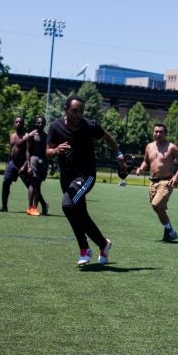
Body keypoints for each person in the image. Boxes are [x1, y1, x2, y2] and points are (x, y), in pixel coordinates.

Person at [46, 95, 127, 266]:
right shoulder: (55, 127)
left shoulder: (89, 126)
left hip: (86, 176)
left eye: (81, 111)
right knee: (80, 214)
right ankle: (103, 244)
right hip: (66, 178)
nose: (78, 115)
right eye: (74, 111)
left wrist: (119, 156)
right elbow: (48, 151)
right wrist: (56, 151)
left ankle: (84, 248)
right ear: (66, 110)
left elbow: (108, 138)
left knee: (68, 205)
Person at [135, 123, 178, 242]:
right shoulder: (149, 146)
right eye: (156, 131)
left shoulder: (172, 147)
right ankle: (170, 231)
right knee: (158, 208)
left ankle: (169, 231)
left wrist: (176, 177)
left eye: (161, 132)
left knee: (156, 204)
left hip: (166, 181)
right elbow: (146, 161)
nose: (158, 134)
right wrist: (141, 168)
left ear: (165, 134)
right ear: (153, 133)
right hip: (153, 182)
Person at [0, 117, 47, 213]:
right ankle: (4, 206)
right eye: (17, 122)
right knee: (6, 182)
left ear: (23, 124)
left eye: (20, 122)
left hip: (23, 164)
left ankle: (43, 204)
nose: (18, 123)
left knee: (31, 186)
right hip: (12, 163)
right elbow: (11, 151)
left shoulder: (28, 135)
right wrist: (8, 163)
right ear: (14, 123)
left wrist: (26, 165)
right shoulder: (12, 135)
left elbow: (28, 151)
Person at [25, 117, 50, 216]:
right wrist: (28, 165)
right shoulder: (31, 135)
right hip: (34, 159)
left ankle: (36, 207)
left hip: (43, 161)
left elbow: (47, 151)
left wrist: (49, 164)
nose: (40, 124)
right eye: (38, 122)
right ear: (35, 123)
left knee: (38, 185)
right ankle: (31, 207)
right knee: (33, 183)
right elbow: (27, 151)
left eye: (42, 122)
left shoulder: (46, 136)